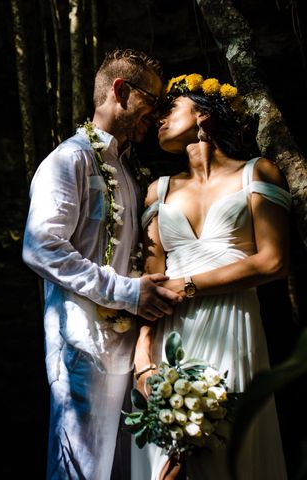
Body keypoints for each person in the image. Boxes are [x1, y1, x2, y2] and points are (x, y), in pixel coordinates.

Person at [22, 48, 182, 480]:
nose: (158, 111)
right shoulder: (69, 160)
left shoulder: (127, 172)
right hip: (83, 348)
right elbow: (41, 247)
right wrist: (129, 292)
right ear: (120, 90)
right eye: (152, 99)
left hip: (127, 351)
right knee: (82, 471)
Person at [132, 73, 290, 479]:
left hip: (233, 328)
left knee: (225, 452)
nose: (159, 120)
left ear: (202, 113)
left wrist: (188, 285)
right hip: (173, 335)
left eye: (170, 109)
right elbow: (153, 282)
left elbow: (273, 262)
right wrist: (142, 358)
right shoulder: (158, 191)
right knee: (165, 465)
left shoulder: (257, 173)